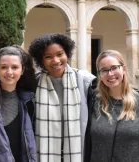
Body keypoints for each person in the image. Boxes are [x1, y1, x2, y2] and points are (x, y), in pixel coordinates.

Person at [28, 33, 96, 162]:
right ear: (40, 60)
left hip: (78, 153)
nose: (56, 61)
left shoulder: (85, 82)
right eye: (48, 57)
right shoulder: (33, 84)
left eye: (60, 54)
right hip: (43, 154)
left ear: (67, 54)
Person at [84, 50, 139, 162]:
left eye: (114, 68)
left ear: (124, 69)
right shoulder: (93, 101)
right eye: (104, 70)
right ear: (100, 75)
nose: (110, 74)